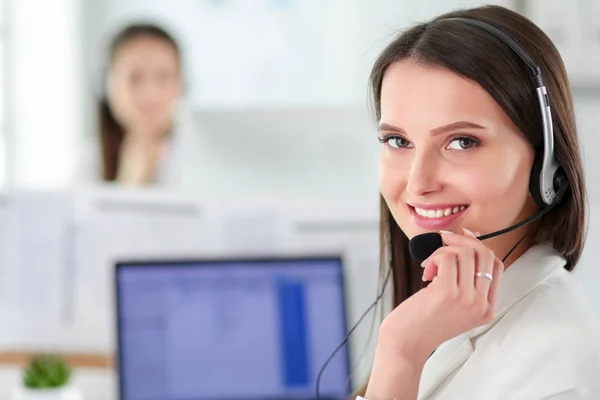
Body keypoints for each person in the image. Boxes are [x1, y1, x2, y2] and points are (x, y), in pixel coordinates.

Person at [354, 5, 600, 400]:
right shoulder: (444, 315)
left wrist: (400, 353)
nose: (418, 183)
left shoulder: (559, 378)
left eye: (462, 142)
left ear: (546, 163)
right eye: (398, 141)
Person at [84, 23, 194, 186]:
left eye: (163, 77)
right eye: (134, 78)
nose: (150, 94)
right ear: (107, 86)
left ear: (181, 85)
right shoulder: (86, 167)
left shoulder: (203, 161)